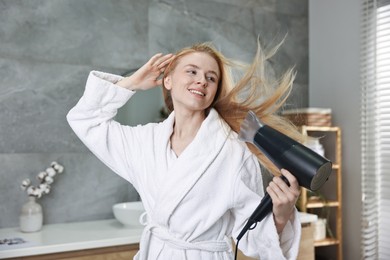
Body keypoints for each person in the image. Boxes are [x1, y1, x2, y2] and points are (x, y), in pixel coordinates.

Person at [67, 41, 303, 260]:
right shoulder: (144, 141)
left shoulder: (234, 152)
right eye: (192, 71)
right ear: (167, 80)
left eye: (211, 78)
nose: (202, 80)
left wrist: (281, 216)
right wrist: (130, 84)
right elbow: (85, 120)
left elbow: (250, 237)